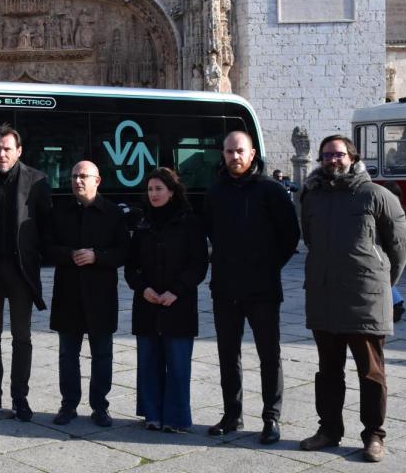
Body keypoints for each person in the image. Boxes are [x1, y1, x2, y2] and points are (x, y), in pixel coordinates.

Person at [299, 135, 406, 463]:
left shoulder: (376, 194)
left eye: (338, 154)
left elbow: (401, 244)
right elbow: (309, 237)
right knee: (328, 370)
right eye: (327, 155)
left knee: (371, 372)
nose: (332, 160)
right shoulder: (312, 196)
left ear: (352, 156)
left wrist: (382, 282)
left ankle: (374, 435)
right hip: (323, 296)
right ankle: (329, 430)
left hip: (365, 298)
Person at [202, 131, 300, 444]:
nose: (234, 157)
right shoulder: (216, 191)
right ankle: (232, 414)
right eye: (229, 151)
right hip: (225, 288)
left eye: (239, 151)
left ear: (252, 153)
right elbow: (210, 233)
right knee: (228, 355)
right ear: (223, 153)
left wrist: (268, 266)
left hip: (263, 289)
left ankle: (271, 418)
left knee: (269, 355)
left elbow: (289, 236)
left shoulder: (271, 190)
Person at [0, 123, 52, 421]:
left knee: (22, 337)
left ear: (18, 151)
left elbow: (44, 226)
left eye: (7, 148)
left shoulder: (37, 180)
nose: (1, 153)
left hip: (20, 272)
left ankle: (20, 398)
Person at [45, 161, 128, 427]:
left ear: (98, 180)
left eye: (83, 176)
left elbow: (124, 252)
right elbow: (46, 247)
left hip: (101, 296)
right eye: (74, 176)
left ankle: (100, 406)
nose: (78, 181)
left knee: (102, 355)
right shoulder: (60, 212)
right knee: (68, 355)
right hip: (68, 295)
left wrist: (97, 256)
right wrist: (70, 254)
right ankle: (68, 405)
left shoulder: (113, 213)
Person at [125, 168, 208, 433]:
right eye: (150, 189)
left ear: (172, 191)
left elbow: (198, 263)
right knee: (148, 362)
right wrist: (142, 288)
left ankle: (176, 417)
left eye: (159, 189)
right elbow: (131, 266)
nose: (154, 194)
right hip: (148, 302)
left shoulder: (190, 222)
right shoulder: (142, 223)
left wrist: (177, 290)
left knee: (178, 364)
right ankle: (151, 414)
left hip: (178, 303)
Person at [379, 181, 406, 323]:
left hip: (384, 249)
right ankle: (397, 302)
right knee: (386, 277)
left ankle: (396, 304)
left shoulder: (384, 206)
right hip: (396, 248)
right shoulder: (402, 208)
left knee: (384, 277)